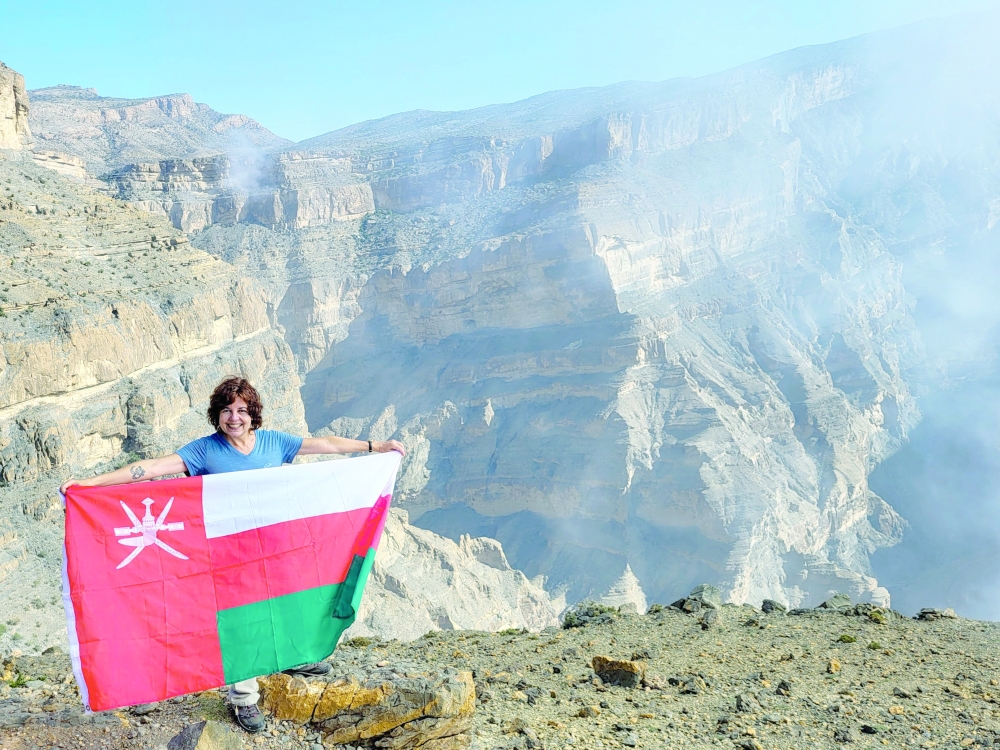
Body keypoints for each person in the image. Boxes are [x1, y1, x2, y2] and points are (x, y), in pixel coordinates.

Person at [60, 376, 405, 733]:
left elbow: (324, 444)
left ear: (253, 414)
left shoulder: (272, 442)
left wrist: (374, 446)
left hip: (277, 548)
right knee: (244, 623)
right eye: (226, 410)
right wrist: (92, 484)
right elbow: (150, 468)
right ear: (217, 415)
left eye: (241, 410)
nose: (234, 417)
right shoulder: (205, 450)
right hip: (231, 559)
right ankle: (243, 698)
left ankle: (293, 655)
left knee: (288, 603)